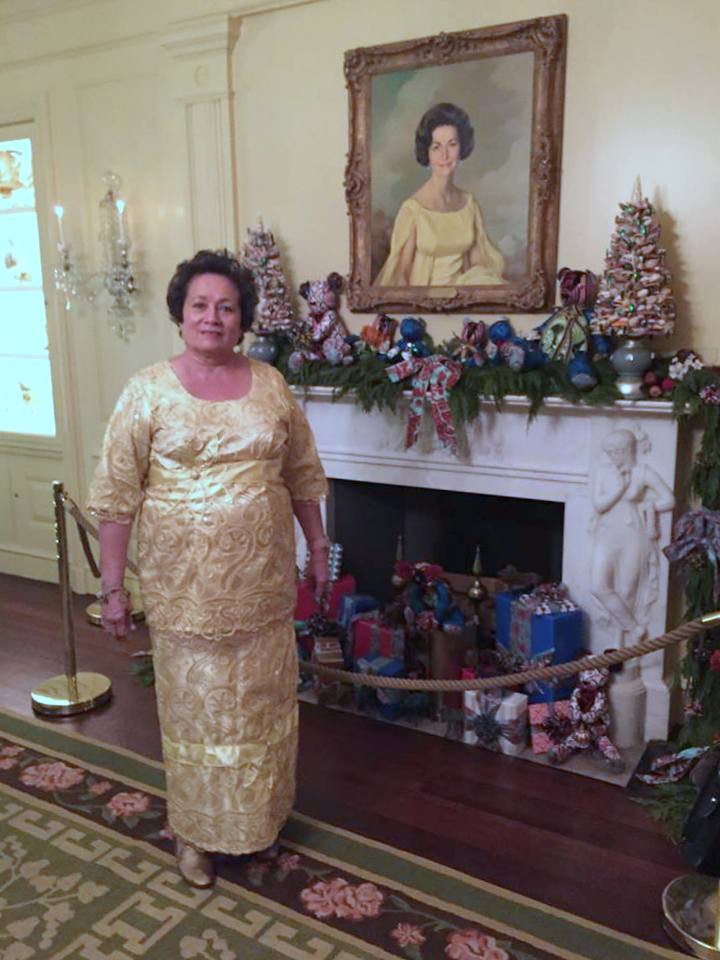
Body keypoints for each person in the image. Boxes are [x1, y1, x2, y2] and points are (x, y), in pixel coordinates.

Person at [87, 249, 329, 889]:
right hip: (185, 593)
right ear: (180, 312)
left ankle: (259, 824)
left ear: (243, 317)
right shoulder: (146, 390)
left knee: (259, 711)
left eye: (226, 306)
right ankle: (196, 836)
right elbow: (115, 496)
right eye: (200, 305)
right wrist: (114, 589)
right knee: (199, 716)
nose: (212, 317)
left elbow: (302, 473)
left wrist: (320, 548)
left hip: (262, 590)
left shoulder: (271, 384)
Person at [375, 102, 505, 287]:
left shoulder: (469, 204)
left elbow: (478, 264)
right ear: (426, 153)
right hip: (425, 302)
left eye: (452, 144)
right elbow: (401, 274)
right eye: (436, 147)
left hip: (464, 299)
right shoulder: (413, 209)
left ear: (462, 148)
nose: (445, 155)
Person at [590, 429, 674, 646]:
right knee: (598, 586)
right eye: (610, 452)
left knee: (626, 590)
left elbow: (669, 500)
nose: (613, 456)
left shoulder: (642, 471)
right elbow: (599, 505)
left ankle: (619, 644)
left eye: (617, 451)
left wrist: (649, 505)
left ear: (628, 450)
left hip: (633, 534)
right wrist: (619, 489)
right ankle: (633, 627)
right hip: (607, 533)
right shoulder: (603, 472)